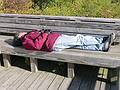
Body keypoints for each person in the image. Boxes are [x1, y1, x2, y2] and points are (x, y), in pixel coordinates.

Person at [13, 29, 115, 52]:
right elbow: (37, 46)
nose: (21, 32)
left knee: (78, 45)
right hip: (54, 42)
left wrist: (43, 32)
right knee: (79, 39)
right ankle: (103, 39)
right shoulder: (25, 40)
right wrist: (45, 33)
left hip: (54, 41)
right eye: (19, 33)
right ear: (19, 37)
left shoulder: (27, 37)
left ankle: (101, 47)